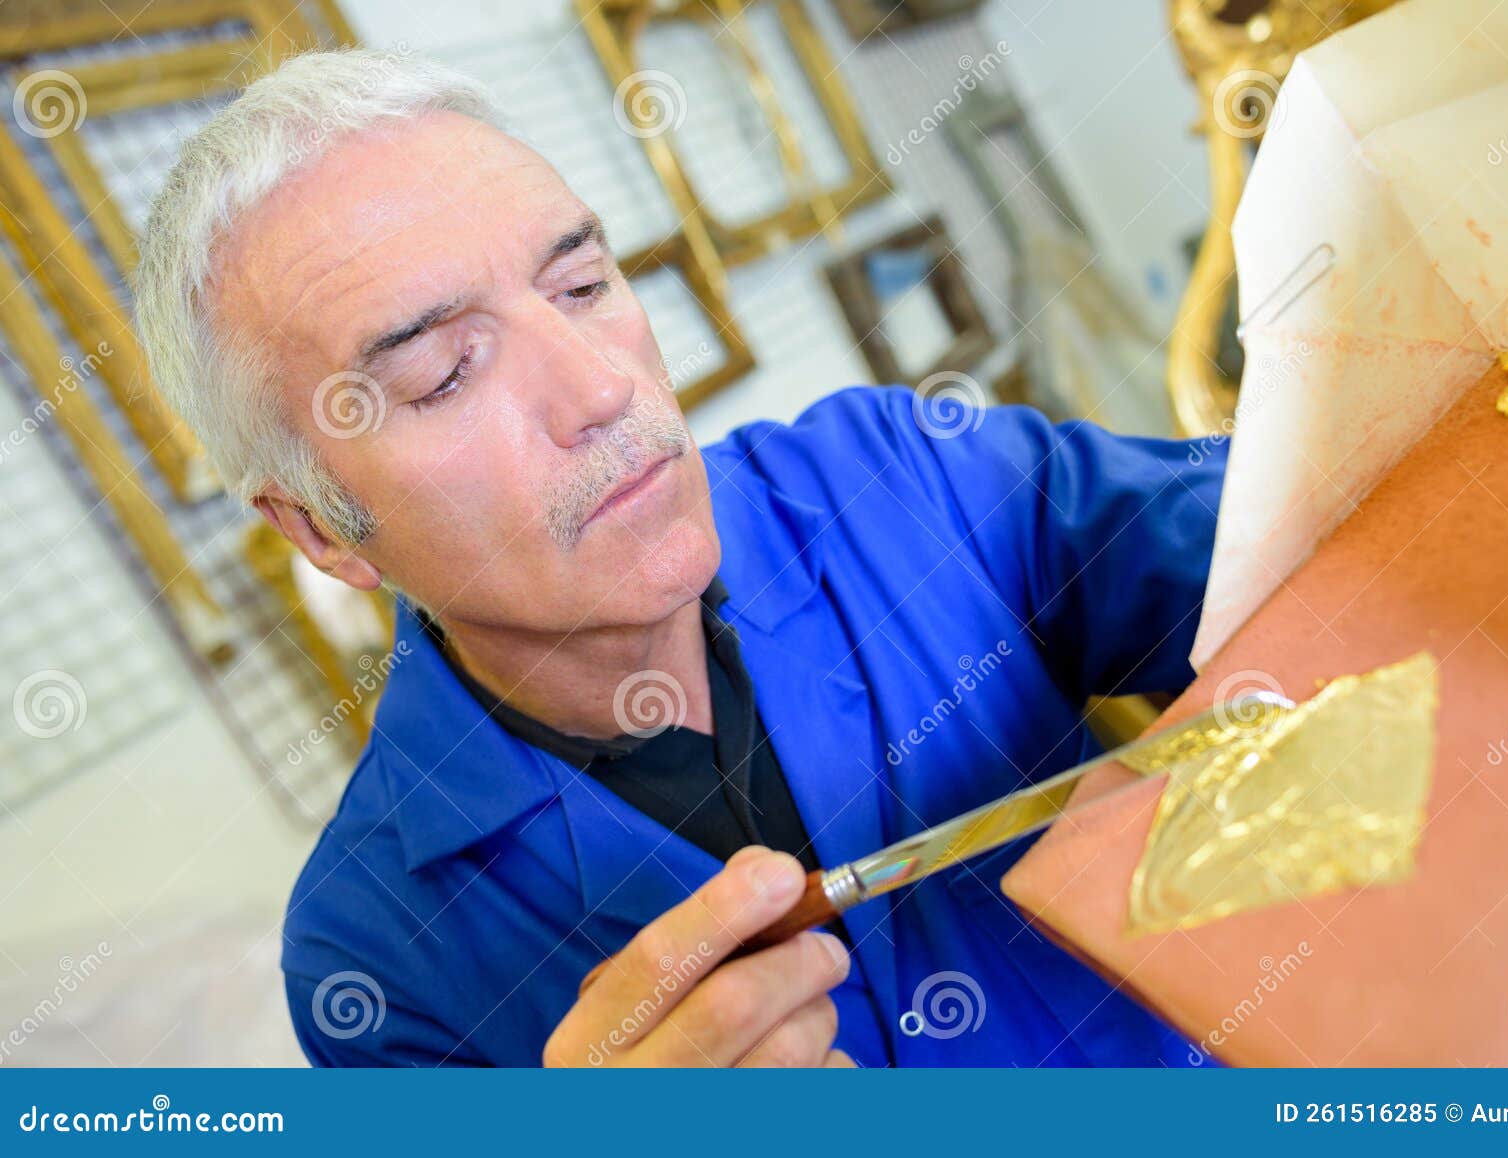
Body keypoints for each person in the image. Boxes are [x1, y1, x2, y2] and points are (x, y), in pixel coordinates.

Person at [133, 49, 1227, 1067]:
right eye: (444, 375)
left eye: (583, 287)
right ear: (322, 529)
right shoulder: (375, 953)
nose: (604, 389)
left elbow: (1289, 537)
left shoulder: (900, 473)